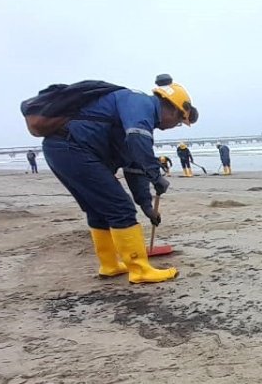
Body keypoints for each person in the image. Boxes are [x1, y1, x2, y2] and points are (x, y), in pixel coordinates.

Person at [41, 73, 197, 283]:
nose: (173, 126)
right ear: (172, 108)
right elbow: (137, 140)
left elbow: (133, 166)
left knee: (99, 210)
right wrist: (156, 174)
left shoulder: (134, 115)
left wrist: (146, 205)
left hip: (63, 150)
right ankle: (140, 270)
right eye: (179, 121)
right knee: (120, 208)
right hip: (73, 148)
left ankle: (110, 265)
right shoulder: (139, 103)